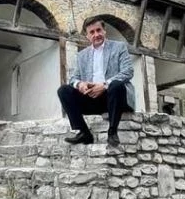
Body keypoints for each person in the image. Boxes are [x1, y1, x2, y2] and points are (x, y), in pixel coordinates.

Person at [57, 17, 135, 146]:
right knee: (63, 90)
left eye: (99, 30)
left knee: (116, 85)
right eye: (92, 32)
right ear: (87, 36)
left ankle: (112, 132)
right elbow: (73, 78)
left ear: (104, 31)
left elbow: (128, 72)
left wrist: (104, 85)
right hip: (92, 98)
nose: (96, 34)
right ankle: (84, 133)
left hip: (114, 98)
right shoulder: (82, 55)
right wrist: (80, 84)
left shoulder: (119, 47)